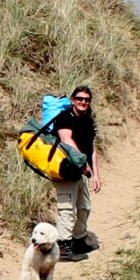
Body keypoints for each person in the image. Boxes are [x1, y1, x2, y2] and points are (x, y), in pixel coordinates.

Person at [48, 84, 100, 259]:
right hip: (65, 169)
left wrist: (96, 174)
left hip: (80, 171)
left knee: (84, 207)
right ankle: (63, 248)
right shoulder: (65, 117)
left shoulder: (87, 119)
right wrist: (82, 161)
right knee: (67, 209)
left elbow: (92, 147)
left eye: (86, 99)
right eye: (79, 98)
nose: (83, 102)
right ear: (72, 100)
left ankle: (79, 241)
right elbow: (65, 139)